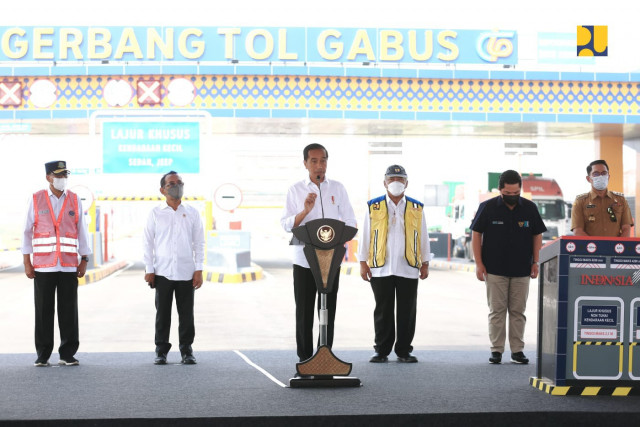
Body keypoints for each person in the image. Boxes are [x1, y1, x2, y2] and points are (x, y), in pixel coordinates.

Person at [280, 143, 357, 362]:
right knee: (304, 312)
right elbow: (286, 224)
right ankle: (305, 359)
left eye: (323, 160)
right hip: (304, 261)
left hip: (330, 260)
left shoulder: (338, 189)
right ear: (305, 164)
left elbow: (350, 220)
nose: (319, 165)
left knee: (328, 311)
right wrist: (305, 210)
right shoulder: (295, 190)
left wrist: (341, 237)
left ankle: (325, 356)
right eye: (313, 161)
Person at [471, 170, 546, 365]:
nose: (512, 197)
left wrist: (536, 262)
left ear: (520, 189)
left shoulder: (529, 208)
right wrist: (479, 264)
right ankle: (496, 350)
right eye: (508, 193)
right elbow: (476, 234)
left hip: (522, 269)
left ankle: (517, 350)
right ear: (500, 189)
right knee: (497, 311)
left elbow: (537, 234)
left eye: (516, 193)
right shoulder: (487, 208)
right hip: (494, 269)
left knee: (518, 311)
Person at [358, 165, 431, 364]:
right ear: (384, 183)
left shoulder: (416, 208)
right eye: (391, 179)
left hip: (408, 267)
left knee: (407, 310)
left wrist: (425, 262)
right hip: (381, 266)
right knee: (383, 310)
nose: (396, 183)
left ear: (407, 183)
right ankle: (381, 350)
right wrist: (362, 262)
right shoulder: (373, 206)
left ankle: (404, 350)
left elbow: (423, 235)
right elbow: (365, 234)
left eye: (400, 179)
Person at [22, 160, 92, 367]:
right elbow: (26, 232)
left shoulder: (74, 199)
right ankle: (43, 354)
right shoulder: (36, 199)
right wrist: (27, 262)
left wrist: (84, 258)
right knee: (43, 310)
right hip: (44, 265)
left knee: (69, 309)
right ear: (48, 177)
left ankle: (67, 353)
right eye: (58, 175)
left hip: (69, 264)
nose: (62, 179)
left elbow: (81, 230)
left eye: (65, 175)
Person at [143, 171, 205, 365]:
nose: (176, 185)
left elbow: (199, 243)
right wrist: (149, 269)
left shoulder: (193, 213)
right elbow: (147, 242)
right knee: (163, 314)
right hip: (162, 272)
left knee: (186, 314)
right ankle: (161, 351)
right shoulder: (155, 213)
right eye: (171, 183)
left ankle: (187, 350)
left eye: (179, 182)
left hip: (187, 271)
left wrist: (199, 269)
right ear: (162, 190)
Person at [571, 159, 633, 237]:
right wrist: (596, 247)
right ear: (588, 179)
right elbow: (578, 232)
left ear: (608, 176)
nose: (601, 176)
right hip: (590, 248)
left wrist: (618, 247)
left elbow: (626, 228)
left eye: (604, 173)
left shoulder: (621, 200)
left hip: (616, 248)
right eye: (596, 174)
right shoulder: (580, 201)